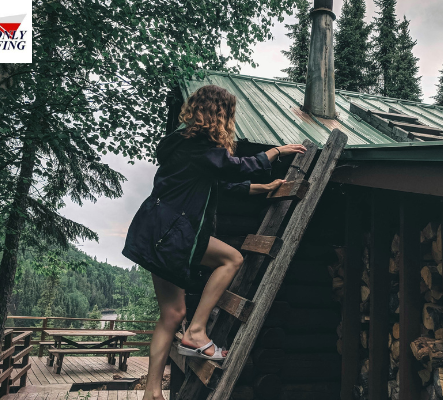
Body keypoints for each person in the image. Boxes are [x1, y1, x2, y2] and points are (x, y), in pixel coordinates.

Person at [121, 84, 306, 400]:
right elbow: (233, 167)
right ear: (219, 114)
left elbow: (226, 186)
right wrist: (275, 152)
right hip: (171, 234)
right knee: (231, 259)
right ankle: (196, 332)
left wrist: (265, 188)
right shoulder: (201, 147)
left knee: (171, 314)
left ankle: (152, 392)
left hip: (156, 232)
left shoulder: (186, 148)